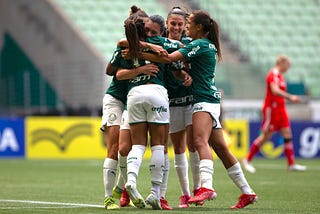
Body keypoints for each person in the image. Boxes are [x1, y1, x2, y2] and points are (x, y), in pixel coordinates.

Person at [140, 10, 258, 209]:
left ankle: (206, 187)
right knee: (220, 148)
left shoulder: (199, 44)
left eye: (189, 24)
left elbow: (168, 59)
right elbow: (180, 64)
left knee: (198, 141)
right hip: (210, 99)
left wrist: (139, 50)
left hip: (203, 100)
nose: (186, 27)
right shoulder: (206, 45)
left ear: (199, 28)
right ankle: (247, 192)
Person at [118, 13, 182, 210]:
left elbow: (121, 43)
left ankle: (130, 182)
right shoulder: (160, 40)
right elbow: (179, 48)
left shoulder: (131, 43)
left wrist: (141, 48)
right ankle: (155, 193)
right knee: (158, 146)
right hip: (156, 92)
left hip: (134, 95)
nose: (149, 33)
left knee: (137, 145)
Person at [242, 55, 307, 173]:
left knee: (287, 133)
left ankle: (291, 164)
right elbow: (275, 90)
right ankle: (247, 159)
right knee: (266, 136)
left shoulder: (280, 76)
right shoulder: (273, 74)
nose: (289, 67)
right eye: (288, 64)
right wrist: (290, 97)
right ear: (281, 62)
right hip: (272, 109)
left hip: (281, 109)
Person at [164, 7, 201, 209]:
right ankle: (185, 194)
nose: (176, 27)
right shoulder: (159, 41)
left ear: (185, 25)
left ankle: (197, 190)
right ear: (167, 23)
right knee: (178, 148)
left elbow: (199, 68)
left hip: (190, 101)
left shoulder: (191, 44)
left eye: (180, 24)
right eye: (173, 23)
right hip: (170, 102)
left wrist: (190, 76)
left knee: (193, 145)